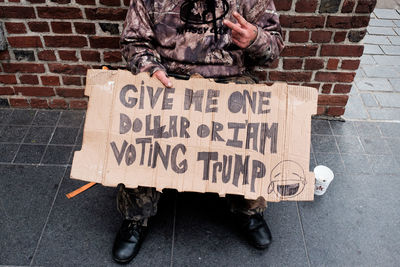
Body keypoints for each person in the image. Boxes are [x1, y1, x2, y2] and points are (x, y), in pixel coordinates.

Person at [113, 0, 284, 263]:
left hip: (229, 80)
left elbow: (273, 47)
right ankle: (137, 216)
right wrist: (149, 68)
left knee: (253, 135)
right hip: (169, 80)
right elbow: (134, 40)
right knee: (140, 133)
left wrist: (255, 40)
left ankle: (247, 209)